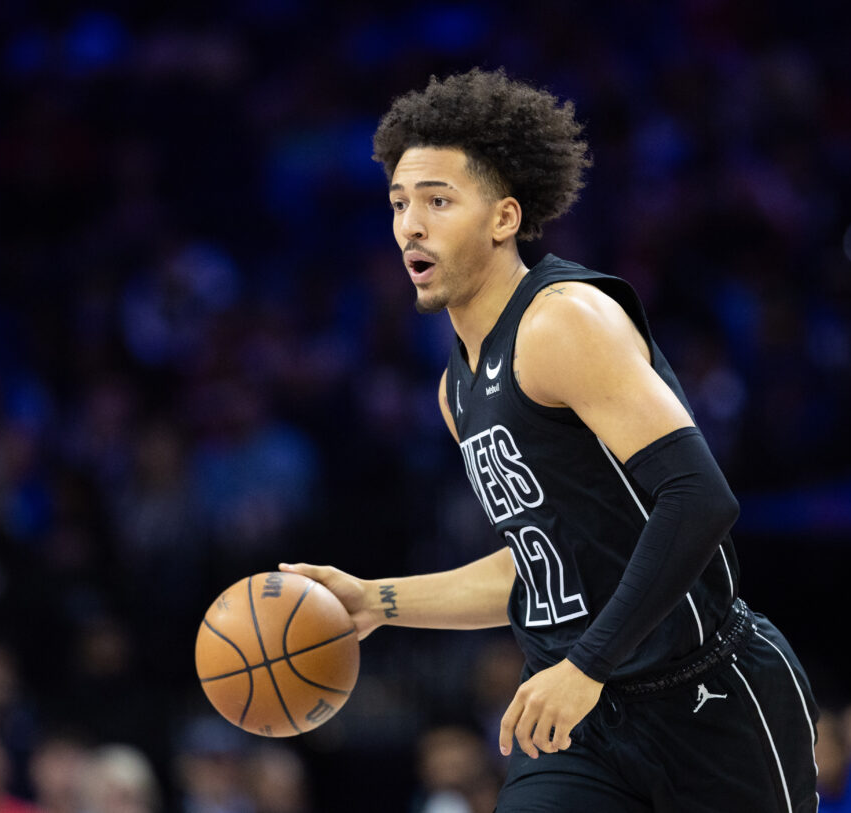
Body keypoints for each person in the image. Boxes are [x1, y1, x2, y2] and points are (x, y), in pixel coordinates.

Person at [280, 67, 819, 812]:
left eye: (438, 201)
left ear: (504, 218)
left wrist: (588, 664)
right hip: (582, 723)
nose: (410, 224)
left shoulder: (563, 319)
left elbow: (699, 499)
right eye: (400, 203)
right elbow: (543, 562)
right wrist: (378, 599)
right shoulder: (455, 389)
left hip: (707, 694)